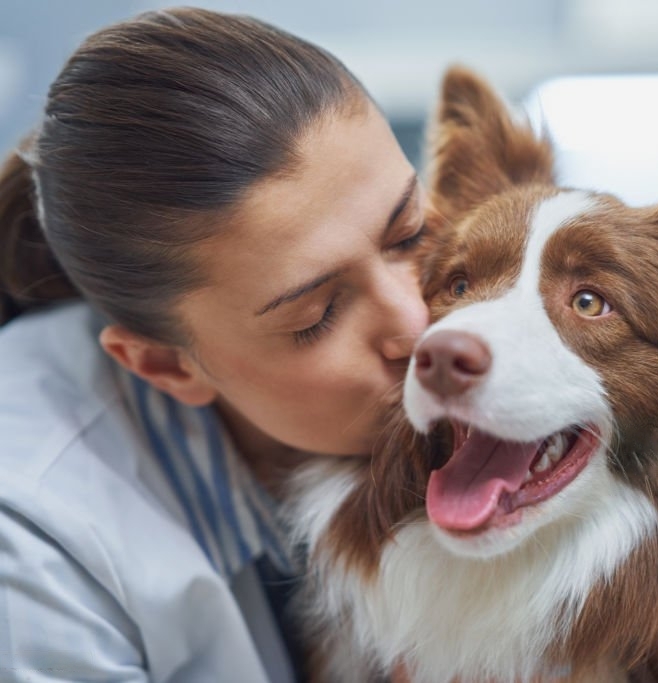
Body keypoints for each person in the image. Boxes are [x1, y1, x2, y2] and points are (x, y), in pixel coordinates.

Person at [0, 7, 430, 682]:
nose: (417, 324)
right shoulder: (29, 542)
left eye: (409, 233)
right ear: (164, 363)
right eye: (317, 315)